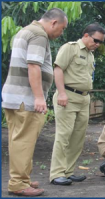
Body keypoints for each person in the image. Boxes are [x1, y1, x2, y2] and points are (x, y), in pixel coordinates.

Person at [1, 8, 68, 197]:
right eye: (62, 29)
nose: (61, 33)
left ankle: (22, 178)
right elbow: (33, 65)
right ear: (54, 22)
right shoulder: (39, 35)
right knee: (24, 141)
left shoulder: (25, 31)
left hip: (14, 96)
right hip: (26, 97)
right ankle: (18, 183)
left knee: (19, 140)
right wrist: (39, 97)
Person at [49, 23, 105, 185]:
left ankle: (68, 171)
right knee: (63, 135)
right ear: (86, 35)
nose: (98, 44)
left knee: (78, 137)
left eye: (100, 42)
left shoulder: (90, 54)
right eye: (96, 40)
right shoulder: (70, 48)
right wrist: (61, 93)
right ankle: (56, 173)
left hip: (84, 98)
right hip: (67, 95)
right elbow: (58, 69)